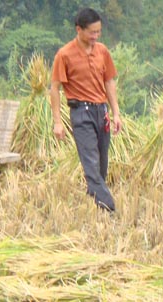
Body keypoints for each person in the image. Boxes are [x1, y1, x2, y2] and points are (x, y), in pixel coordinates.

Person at [50, 8, 122, 212]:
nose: (96, 36)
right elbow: (54, 89)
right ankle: (108, 208)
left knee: (101, 162)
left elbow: (109, 81)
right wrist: (57, 122)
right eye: (92, 32)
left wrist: (116, 112)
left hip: (102, 111)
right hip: (81, 112)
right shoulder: (64, 55)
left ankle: (95, 197)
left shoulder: (102, 51)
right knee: (90, 161)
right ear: (78, 30)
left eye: (98, 32)